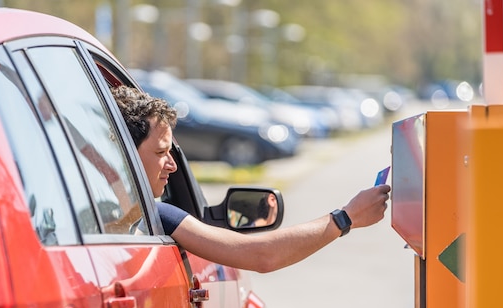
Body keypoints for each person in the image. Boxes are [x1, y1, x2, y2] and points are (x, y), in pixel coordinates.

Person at [110, 85, 391, 273]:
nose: (172, 165)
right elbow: (261, 255)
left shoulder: (104, 216)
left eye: (172, 152)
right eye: (161, 152)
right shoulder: (159, 216)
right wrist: (346, 218)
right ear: (123, 155)